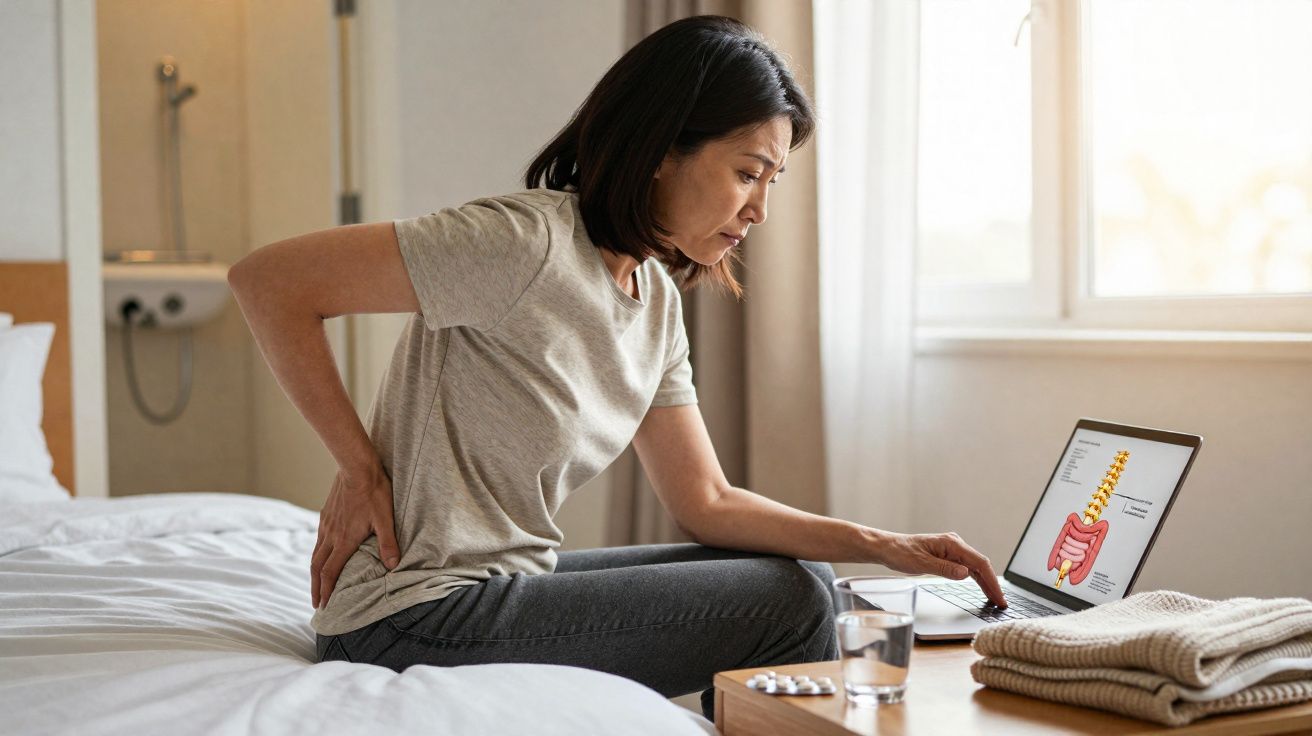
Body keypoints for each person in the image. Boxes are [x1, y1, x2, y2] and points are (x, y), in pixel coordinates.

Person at [228, 15, 1006, 721]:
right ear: (664, 150)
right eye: (746, 172)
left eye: (772, 181)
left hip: (500, 585)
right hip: (407, 617)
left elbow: (706, 501)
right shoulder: (522, 244)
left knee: (793, 571)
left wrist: (884, 543)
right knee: (790, 596)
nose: (760, 210)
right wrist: (359, 466)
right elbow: (269, 282)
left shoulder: (655, 302)